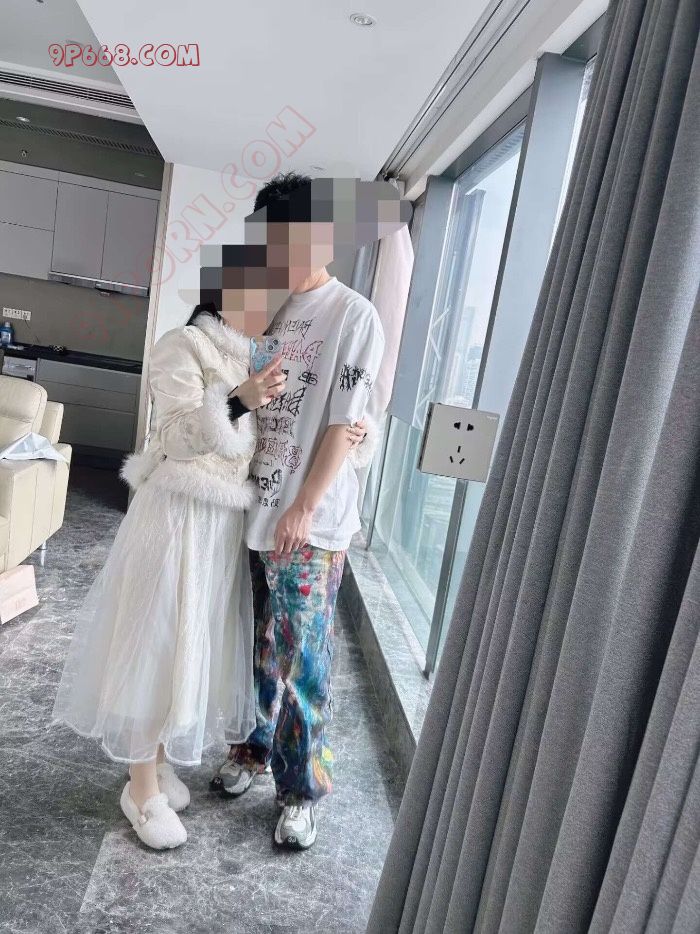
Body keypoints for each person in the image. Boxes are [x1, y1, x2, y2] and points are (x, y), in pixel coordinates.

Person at [52, 268, 288, 851]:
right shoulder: (183, 344)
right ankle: (140, 790)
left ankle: (155, 765)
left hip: (220, 524)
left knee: (189, 645)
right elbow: (179, 436)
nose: (265, 305)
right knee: (155, 643)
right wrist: (238, 400)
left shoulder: (253, 355)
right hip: (176, 514)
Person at [212, 173, 385, 850]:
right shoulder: (268, 313)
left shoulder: (354, 315)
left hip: (310, 523)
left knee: (303, 661)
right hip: (256, 505)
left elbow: (346, 421)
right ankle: (253, 750)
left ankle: (300, 791)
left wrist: (304, 507)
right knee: (258, 646)